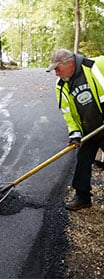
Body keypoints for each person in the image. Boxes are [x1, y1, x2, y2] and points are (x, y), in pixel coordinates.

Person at [46, 49, 104, 210]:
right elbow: (68, 113)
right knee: (82, 162)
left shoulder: (95, 66)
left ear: (69, 63)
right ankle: (82, 197)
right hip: (88, 130)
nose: (56, 73)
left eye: (58, 69)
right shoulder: (61, 85)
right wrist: (75, 133)